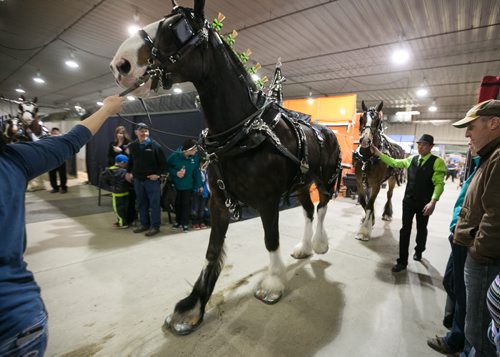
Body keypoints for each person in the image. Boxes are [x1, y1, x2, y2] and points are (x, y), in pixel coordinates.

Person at [0, 95, 124, 356]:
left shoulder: (12, 159)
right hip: (19, 317)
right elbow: (70, 141)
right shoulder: (10, 161)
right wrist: (108, 109)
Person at [452, 99, 500, 357]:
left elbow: (496, 218)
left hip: (483, 261)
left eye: (471, 126)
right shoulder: (490, 156)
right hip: (476, 253)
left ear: (494, 123)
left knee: (478, 331)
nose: (467, 133)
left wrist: (477, 253)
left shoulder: (498, 157)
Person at [427, 145, 480, 355]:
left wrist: (477, 243)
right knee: (451, 282)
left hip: (469, 240)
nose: (467, 137)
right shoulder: (479, 163)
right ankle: (454, 324)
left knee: (466, 292)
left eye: (472, 128)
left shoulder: (492, 163)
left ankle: (458, 340)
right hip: (459, 234)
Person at [371, 133, 446, 272]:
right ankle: (402, 261)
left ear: (430, 147)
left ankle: (419, 250)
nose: (421, 147)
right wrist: (378, 153)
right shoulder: (412, 159)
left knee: (421, 229)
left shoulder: (437, 162)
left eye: (424, 145)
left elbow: (439, 184)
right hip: (409, 201)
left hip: (425, 203)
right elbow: (394, 162)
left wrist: (433, 202)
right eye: (419, 144)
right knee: (405, 230)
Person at [127, 123, 167, 237]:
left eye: (146, 131)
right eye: (141, 131)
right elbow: (131, 161)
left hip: (152, 181)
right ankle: (144, 224)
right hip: (138, 180)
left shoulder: (155, 146)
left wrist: (158, 175)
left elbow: (164, 164)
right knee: (141, 203)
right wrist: (129, 172)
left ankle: (155, 226)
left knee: (154, 204)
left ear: (148, 132)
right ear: (136, 132)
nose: (144, 133)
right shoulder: (133, 146)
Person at [167, 138, 202, 233]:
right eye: (194, 149)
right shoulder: (175, 155)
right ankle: (178, 221)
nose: (196, 151)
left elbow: (196, 172)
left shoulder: (195, 158)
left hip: (188, 186)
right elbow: (167, 166)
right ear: (188, 149)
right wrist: (176, 172)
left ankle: (185, 223)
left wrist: (199, 185)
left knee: (186, 204)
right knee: (177, 204)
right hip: (176, 186)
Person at [101, 154, 131, 229]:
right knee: (125, 208)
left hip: (116, 193)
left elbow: (104, 179)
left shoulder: (108, 170)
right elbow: (130, 180)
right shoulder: (124, 171)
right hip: (126, 191)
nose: (126, 165)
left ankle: (122, 223)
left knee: (117, 209)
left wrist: (111, 185)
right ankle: (124, 221)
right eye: (125, 163)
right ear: (122, 162)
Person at [48, 127, 68, 193]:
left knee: (62, 174)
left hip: (61, 159)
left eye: (56, 133)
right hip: (52, 160)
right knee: (52, 174)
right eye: (53, 133)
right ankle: (55, 188)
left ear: (59, 133)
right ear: (51, 134)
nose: (55, 134)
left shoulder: (63, 139)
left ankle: (63, 187)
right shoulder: (48, 140)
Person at [191, 160, 210, 229]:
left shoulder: (206, 171)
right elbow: (193, 181)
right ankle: (194, 222)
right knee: (195, 208)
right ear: (199, 163)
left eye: (205, 163)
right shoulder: (196, 171)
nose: (204, 164)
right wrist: (198, 187)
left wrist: (209, 191)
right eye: (202, 163)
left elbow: (207, 182)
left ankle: (201, 222)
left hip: (204, 193)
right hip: (196, 191)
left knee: (202, 209)